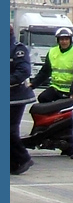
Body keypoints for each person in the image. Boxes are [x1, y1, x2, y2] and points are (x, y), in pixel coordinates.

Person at [10, 25, 35, 175]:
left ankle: (24, 158)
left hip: (16, 97)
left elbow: (23, 71)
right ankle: (13, 162)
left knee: (9, 131)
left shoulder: (18, 49)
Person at [30, 27, 73, 103]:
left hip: (69, 91)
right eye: (61, 39)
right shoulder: (52, 52)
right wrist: (32, 84)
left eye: (66, 39)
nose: (64, 42)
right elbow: (45, 72)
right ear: (58, 40)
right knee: (42, 98)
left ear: (70, 40)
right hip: (55, 88)